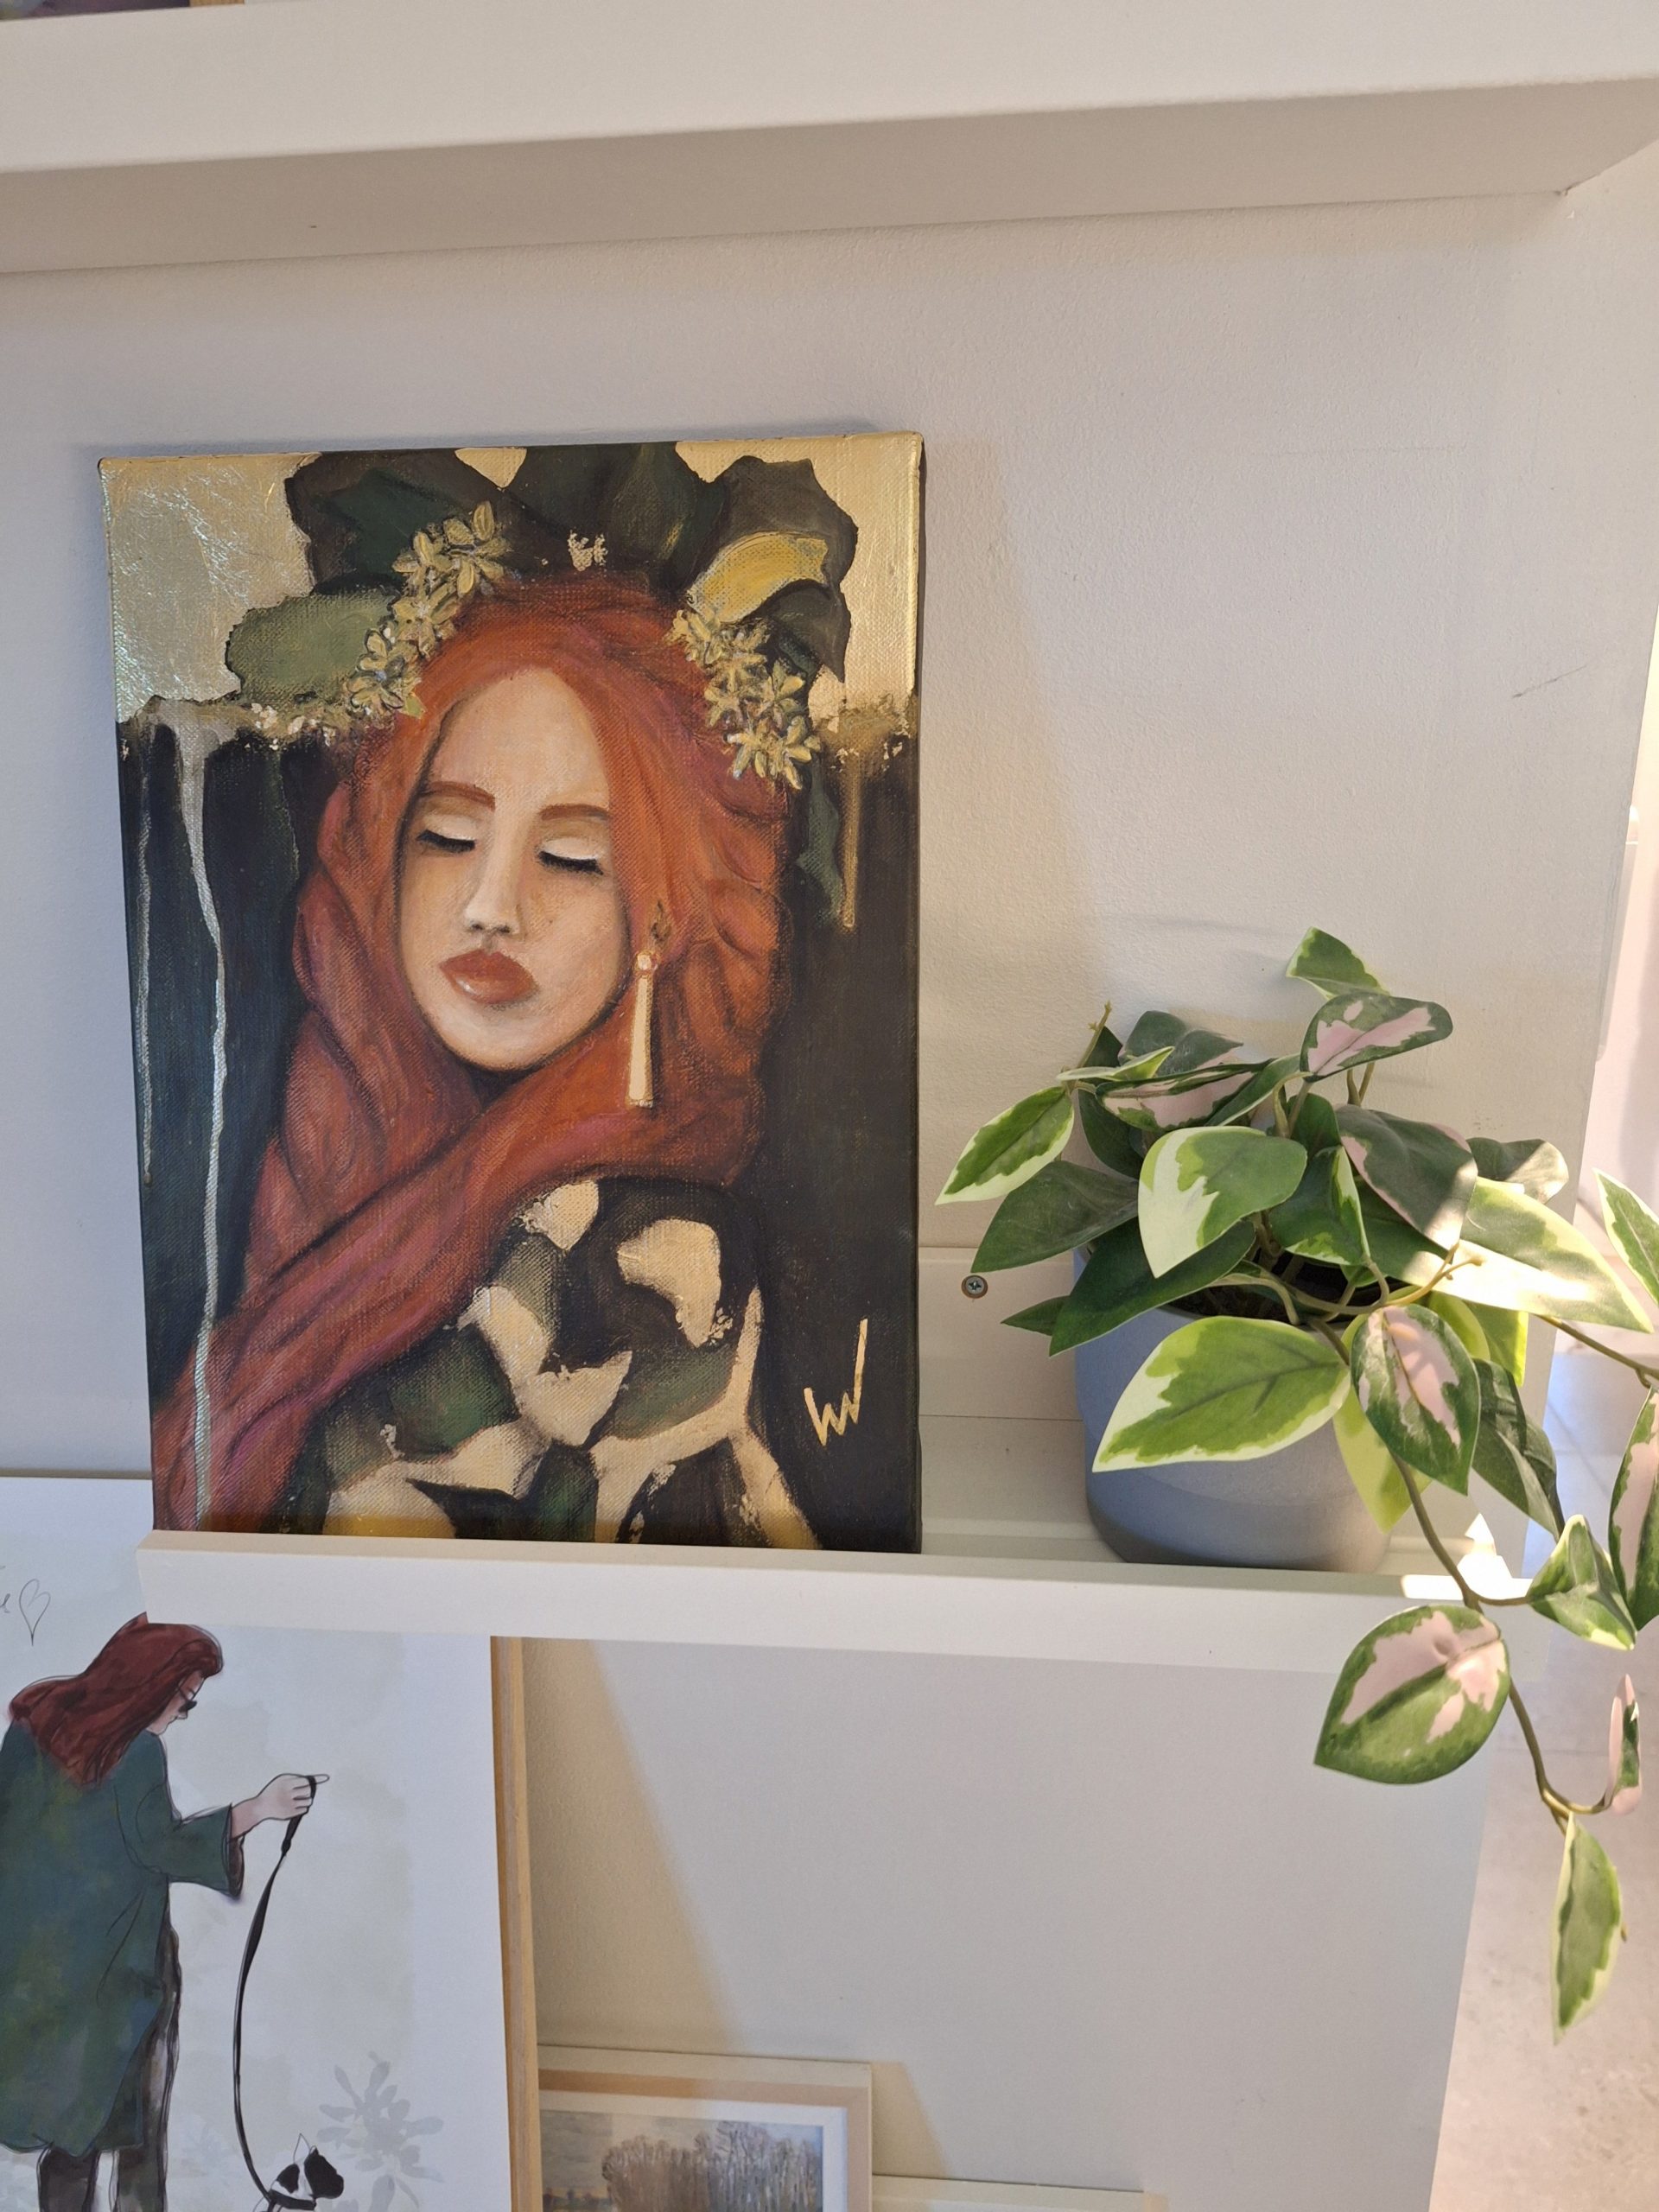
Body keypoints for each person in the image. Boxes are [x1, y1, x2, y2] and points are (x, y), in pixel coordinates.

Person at [152, 574, 817, 1548]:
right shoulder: (345, 1171)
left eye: (572, 857)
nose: (491, 905)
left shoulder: (647, 1257)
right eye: (450, 836)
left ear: (661, 917)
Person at [0, 1617, 320, 2212]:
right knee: (137, 2135)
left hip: (39, 1978)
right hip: (121, 1976)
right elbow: (161, 1846)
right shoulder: (137, 1753)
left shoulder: (31, 1730)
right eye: (184, 1700)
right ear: (149, 1684)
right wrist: (259, 1808)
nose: (181, 1714)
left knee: (72, 2133)